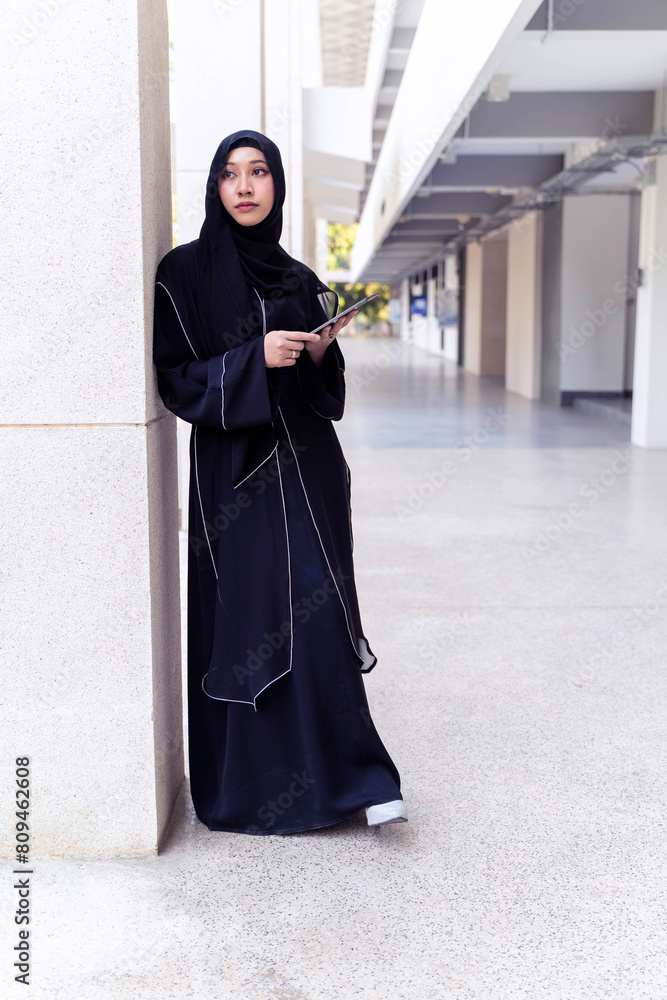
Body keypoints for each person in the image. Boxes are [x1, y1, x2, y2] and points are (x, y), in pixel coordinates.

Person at [152, 129, 407, 834]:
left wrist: (319, 355)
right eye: (230, 173)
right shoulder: (184, 275)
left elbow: (327, 393)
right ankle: (257, 788)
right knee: (255, 623)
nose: (243, 186)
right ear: (213, 185)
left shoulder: (299, 278)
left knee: (319, 613)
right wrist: (252, 358)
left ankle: (356, 779)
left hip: (309, 467)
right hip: (238, 478)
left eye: (258, 172)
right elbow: (174, 380)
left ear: (276, 185)